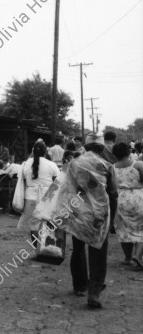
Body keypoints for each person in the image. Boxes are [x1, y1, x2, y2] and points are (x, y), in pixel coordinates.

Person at [64, 132, 118, 308]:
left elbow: (63, 188)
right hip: (99, 216)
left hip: (77, 213)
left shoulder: (73, 163)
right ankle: (93, 293)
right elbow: (113, 193)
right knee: (98, 252)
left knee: (78, 249)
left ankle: (80, 286)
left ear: (85, 147)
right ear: (102, 148)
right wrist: (113, 221)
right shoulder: (108, 166)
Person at [15, 140, 60, 247]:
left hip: (30, 197)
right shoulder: (51, 164)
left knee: (33, 225)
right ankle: (47, 248)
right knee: (47, 223)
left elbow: (22, 179)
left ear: (33, 151)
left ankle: (37, 248)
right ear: (46, 152)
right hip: (47, 197)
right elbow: (58, 181)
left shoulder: (25, 164)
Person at [112, 142, 143, 270]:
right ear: (128, 152)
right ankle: (137, 256)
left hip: (121, 199)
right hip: (138, 198)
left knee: (124, 230)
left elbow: (111, 187)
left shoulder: (112, 167)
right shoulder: (138, 165)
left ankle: (127, 258)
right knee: (141, 229)